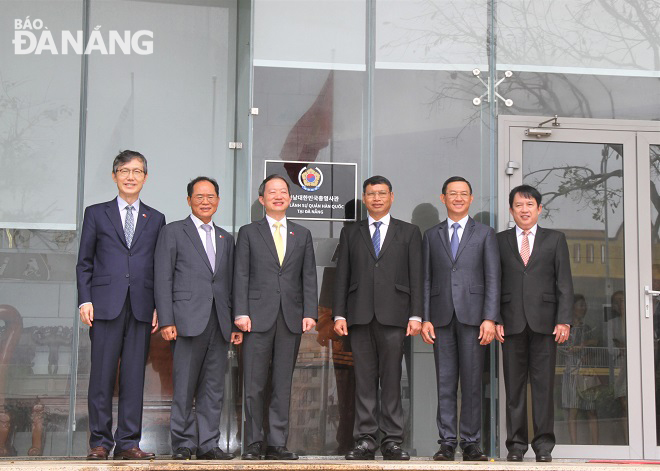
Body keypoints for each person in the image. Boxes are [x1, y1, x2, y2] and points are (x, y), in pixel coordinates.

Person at [76, 150, 165, 460]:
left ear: (145, 177)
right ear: (114, 176)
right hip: (104, 305)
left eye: (137, 171)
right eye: (125, 171)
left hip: (141, 307)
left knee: (133, 377)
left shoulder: (155, 218)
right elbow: (84, 261)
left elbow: (158, 267)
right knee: (101, 375)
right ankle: (99, 442)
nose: (130, 176)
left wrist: (158, 307)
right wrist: (84, 299)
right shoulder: (96, 213)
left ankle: (128, 443)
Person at [333, 175, 423, 461]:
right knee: (365, 379)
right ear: (364, 198)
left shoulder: (409, 232)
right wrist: (339, 313)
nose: (377, 198)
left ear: (392, 197)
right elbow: (342, 277)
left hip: (395, 316)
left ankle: (393, 441)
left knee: (394, 380)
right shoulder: (351, 232)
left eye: (382, 193)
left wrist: (416, 314)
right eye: (371, 194)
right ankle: (366, 440)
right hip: (359, 315)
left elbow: (417, 277)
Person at [154, 176, 242, 460]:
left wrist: (232, 324)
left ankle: (208, 444)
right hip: (185, 322)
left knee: (213, 388)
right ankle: (183, 443)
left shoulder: (226, 238)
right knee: (184, 386)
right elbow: (162, 278)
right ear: (189, 199)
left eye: (211, 196)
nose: (205, 201)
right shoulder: (173, 232)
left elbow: (229, 284)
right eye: (199, 196)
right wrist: (167, 320)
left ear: (218, 200)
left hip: (218, 323)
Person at [233, 174, 318, 460]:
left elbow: (308, 276)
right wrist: (241, 312)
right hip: (256, 318)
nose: (278, 196)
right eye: (272, 192)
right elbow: (241, 274)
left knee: (283, 383)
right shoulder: (248, 232)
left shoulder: (302, 234)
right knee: (254, 383)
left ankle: (277, 443)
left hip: (290, 317)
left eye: (284, 191)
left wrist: (310, 312)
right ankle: (254, 443)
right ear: (262, 199)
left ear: (290, 198)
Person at [421, 176, 500, 462]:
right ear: (442, 198)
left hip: (474, 318)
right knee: (444, 382)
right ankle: (446, 442)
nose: (458, 198)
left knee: (471, 382)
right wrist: (426, 317)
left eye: (463, 194)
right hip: (440, 318)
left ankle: (470, 442)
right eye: (452, 194)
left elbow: (493, 278)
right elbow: (426, 278)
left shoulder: (485, 233)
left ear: (471, 198)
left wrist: (490, 318)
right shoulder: (431, 235)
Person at [495, 184, 573, 462]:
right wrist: (495, 318)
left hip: (546, 324)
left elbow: (564, 282)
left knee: (542, 387)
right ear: (511, 209)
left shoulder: (555, 239)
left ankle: (543, 446)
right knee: (514, 389)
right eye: (519, 205)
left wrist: (564, 319)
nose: (524, 210)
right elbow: (494, 282)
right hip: (511, 324)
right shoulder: (500, 240)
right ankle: (516, 446)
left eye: (530, 205)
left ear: (539, 209)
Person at [560, 294, 598, 444]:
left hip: (586, 372)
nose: (584, 308)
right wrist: (580, 347)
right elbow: (564, 349)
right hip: (570, 371)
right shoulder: (566, 327)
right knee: (573, 409)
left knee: (591, 410)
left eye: (584, 305)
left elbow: (596, 345)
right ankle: (574, 446)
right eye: (581, 305)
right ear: (572, 307)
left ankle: (595, 445)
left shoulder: (587, 328)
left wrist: (586, 347)